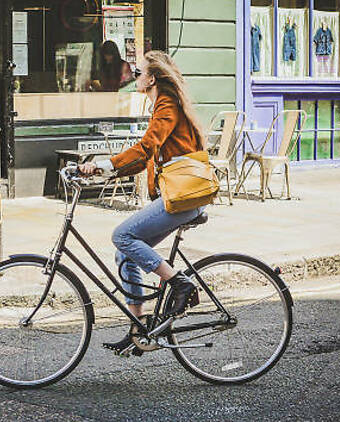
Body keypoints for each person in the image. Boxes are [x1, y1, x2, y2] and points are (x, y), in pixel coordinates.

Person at [78, 50, 206, 353]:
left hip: (182, 197)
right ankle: (139, 331)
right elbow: (145, 157)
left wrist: (107, 163)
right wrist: (104, 171)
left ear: (152, 78)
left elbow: (147, 145)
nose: (135, 76)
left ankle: (179, 282)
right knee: (126, 254)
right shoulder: (161, 104)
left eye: (139, 72)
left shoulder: (167, 104)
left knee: (122, 235)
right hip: (176, 195)